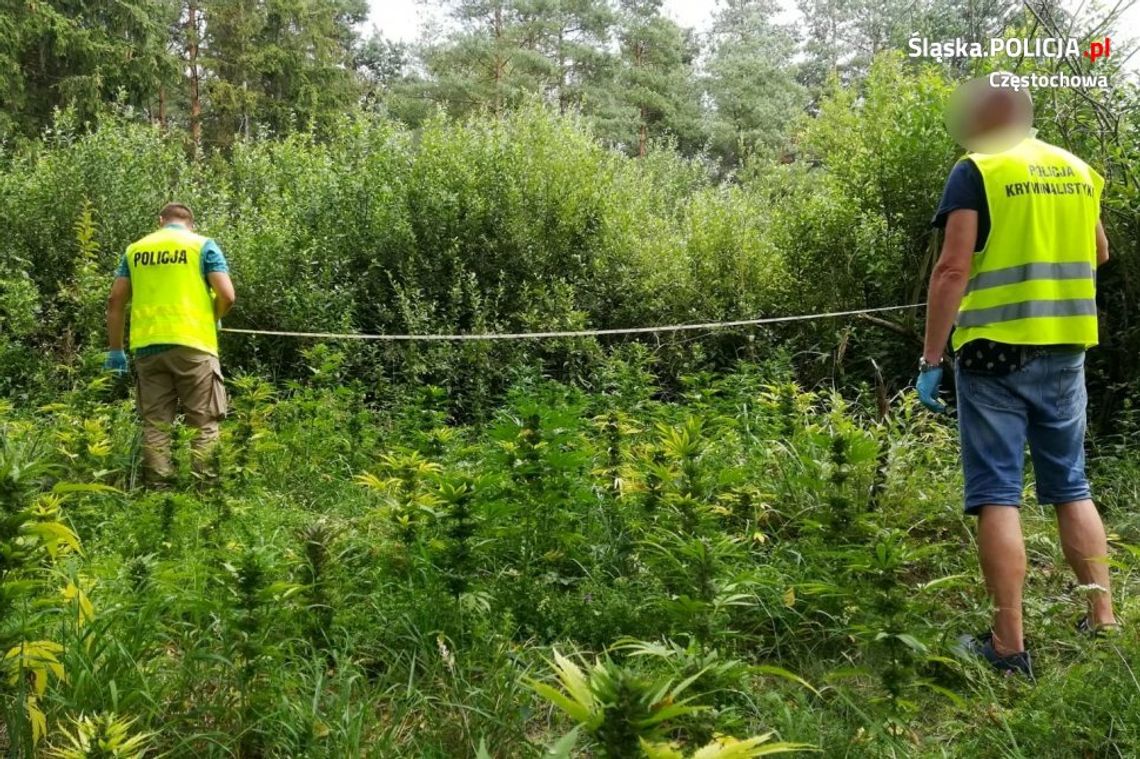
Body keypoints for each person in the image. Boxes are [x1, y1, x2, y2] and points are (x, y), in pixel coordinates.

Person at [917, 75, 1116, 677]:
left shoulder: (978, 168)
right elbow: (1099, 252)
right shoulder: (1076, 169)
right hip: (1065, 347)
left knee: (997, 493)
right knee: (1070, 485)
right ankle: (1102, 622)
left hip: (995, 354)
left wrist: (931, 360)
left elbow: (952, 269)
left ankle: (1008, 647)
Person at [105, 203, 236, 484]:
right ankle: (206, 490)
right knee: (203, 423)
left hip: (148, 348)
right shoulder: (202, 246)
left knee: (155, 424)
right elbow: (227, 295)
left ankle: (158, 490)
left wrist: (116, 350)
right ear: (192, 223)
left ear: (160, 221)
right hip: (195, 345)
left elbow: (115, 301)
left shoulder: (135, 249)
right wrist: (215, 315)